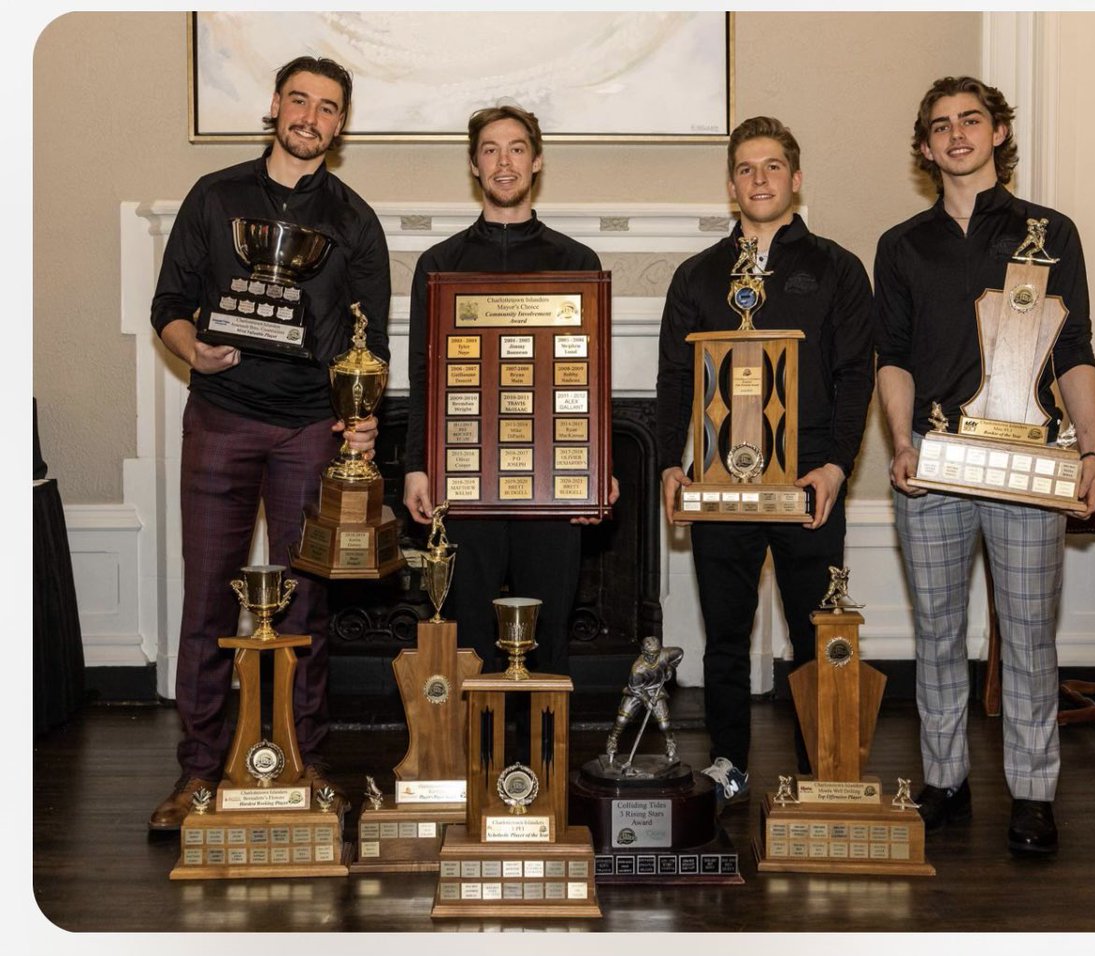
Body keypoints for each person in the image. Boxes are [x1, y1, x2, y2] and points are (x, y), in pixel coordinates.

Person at [147, 55, 391, 829]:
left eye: (327, 108)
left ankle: (302, 757)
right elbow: (169, 303)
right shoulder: (215, 197)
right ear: (275, 107)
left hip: (309, 429)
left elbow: (370, 342)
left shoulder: (354, 220)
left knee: (304, 602)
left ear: (340, 125)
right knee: (209, 596)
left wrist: (360, 414)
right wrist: (193, 348)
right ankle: (198, 771)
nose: (310, 118)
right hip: (220, 414)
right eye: (298, 101)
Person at [873, 76, 1095, 856]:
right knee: (937, 634)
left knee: (1029, 634)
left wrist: (1092, 451)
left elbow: (1074, 351)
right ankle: (945, 780)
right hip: (934, 464)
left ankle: (1034, 794)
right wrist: (902, 442)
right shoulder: (901, 244)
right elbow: (894, 356)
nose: (957, 135)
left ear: (998, 132)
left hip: (1029, 467)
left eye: (971, 120)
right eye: (940, 125)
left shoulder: (1051, 231)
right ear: (926, 144)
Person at [656, 116, 874, 810]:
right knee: (725, 635)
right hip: (720, 479)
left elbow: (854, 378)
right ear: (730, 185)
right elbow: (672, 380)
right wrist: (670, 464)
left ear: (796, 179)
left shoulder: (838, 268)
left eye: (773, 167)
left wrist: (837, 466)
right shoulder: (697, 276)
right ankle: (728, 764)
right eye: (747, 169)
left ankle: (823, 767)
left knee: (816, 633)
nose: (760, 179)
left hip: (809, 478)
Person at [403, 103, 617, 677]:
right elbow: (422, 375)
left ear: (537, 160)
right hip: (462, 481)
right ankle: (476, 756)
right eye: (491, 150)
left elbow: (591, 383)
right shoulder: (439, 263)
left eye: (517, 148)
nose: (504, 162)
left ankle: (544, 759)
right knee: (467, 631)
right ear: (474, 165)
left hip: (552, 484)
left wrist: (600, 468)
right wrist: (416, 467)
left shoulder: (577, 262)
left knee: (549, 633)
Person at [605, 636, 685, 762]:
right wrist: (647, 701)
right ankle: (613, 740)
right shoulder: (638, 668)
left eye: (656, 654)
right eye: (650, 654)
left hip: (656, 691)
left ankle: (670, 742)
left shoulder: (665, 655)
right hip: (637, 692)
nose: (654, 657)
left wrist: (670, 668)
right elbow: (635, 688)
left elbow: (679, 653)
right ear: (643, 651)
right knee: (622, 719)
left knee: (664, 724)